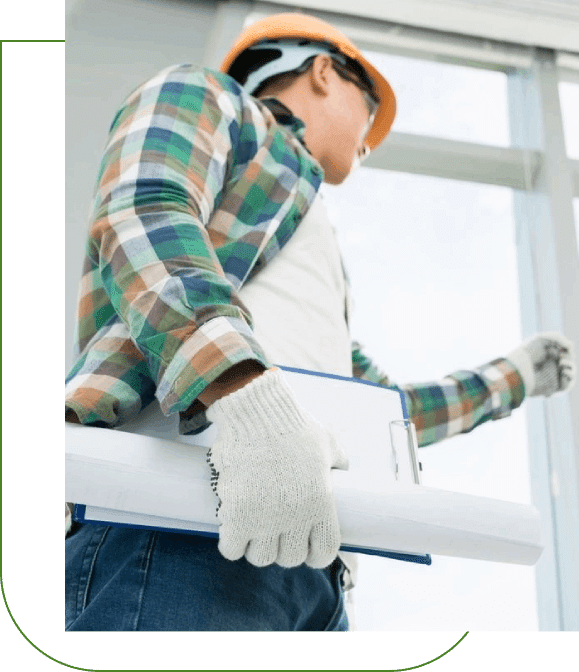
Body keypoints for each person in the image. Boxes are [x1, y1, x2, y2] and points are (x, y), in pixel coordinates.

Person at [64, 13, 576, 632]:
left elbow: (389, 416)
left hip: (318, 568)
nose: (370, 138)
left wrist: (514, 377)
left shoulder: (305, 248)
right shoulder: (209, 96)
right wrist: (245, 393)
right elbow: (146, 210)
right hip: (177, 522)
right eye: (370, 109)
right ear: (324, 71)